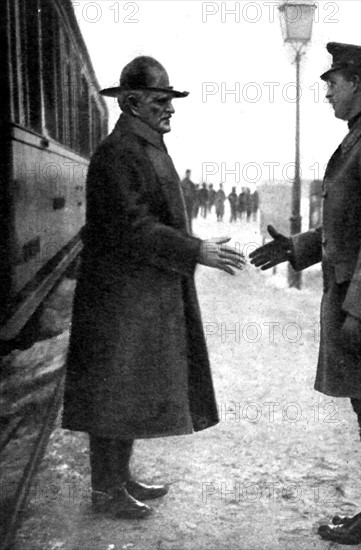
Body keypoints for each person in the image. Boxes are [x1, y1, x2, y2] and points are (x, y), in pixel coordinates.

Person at [250, 42, 361, 546]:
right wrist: (298, 248)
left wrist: (358, 314)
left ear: (356, 83)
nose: (326, 91)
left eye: (332, 82)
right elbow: (351, 226)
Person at [62, 56, 245, 520]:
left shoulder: (141, 144)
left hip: (136, 292)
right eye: (162, 101)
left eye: (170, 101)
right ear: (132, 103)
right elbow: (132, 226)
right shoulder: (121, 151)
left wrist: (188, 249)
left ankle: (118, 478)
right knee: (114, 391)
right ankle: (105, 491)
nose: (170, 110)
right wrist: (194, 250)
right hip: (118, 297)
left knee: (128, 388)